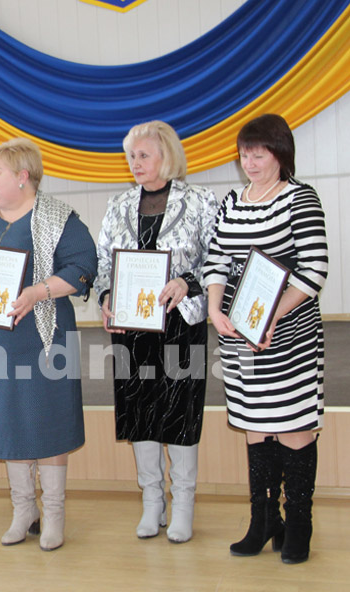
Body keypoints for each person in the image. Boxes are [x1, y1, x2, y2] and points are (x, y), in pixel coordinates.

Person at [0, 138, 97, 551]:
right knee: (8, 422)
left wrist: (38, 291)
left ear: (22, 176)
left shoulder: (58, 218)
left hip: (43, 340)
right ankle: (23, 510)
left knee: (48, 422)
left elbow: (83, 267)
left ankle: (54, 515)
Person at [203, 114, 328, 564]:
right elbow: (216, 259)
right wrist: (214, 309)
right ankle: (264, 519)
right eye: (244, 154)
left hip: (287, 332)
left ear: (280, 153)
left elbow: (314, 269)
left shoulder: (300, 198)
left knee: (292, 425)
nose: (250, 163)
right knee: (255, 426)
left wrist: (273, 314)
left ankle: (299, 523)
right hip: (240, 333)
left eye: (259, 154)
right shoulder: (232, 200)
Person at [94, 121, 219, 543]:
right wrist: (106, 295)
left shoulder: (200, 200)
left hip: (181, 323)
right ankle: (152, 500)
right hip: (131, 328)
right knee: (139, 412)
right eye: (131, 156)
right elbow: (102, 262)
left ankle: (183, 503)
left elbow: (218, 259)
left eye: (143, 155)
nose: (135, 163)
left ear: (167, 156)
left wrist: (188, 281)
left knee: (181, 411)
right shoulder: (118, 204)